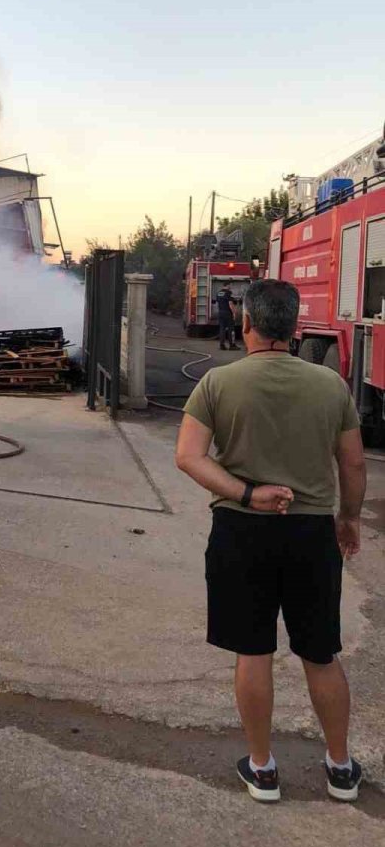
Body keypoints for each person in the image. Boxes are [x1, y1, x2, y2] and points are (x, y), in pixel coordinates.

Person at [175, 279, 367, 804]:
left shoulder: (218, 383)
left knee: (253, 651)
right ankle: (341, 768)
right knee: (321, 653)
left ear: (246, 323)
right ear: (295, 325)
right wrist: (348, 518)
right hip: (311, 535)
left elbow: (189, 456)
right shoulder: (332, 386)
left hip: (242, 533)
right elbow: (352, 462)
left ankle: (262, 770)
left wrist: (247, 492)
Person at [216, 285, 238, 350]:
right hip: (228, 313)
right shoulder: (228, 293)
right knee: (231, 329)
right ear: (227, 286)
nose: (230, 288)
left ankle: (222, 345)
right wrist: (234, 313)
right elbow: (230, 304)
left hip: (220, 313)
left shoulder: (219, 293)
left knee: (222, 329)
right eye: (229, 286)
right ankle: (232, 345)